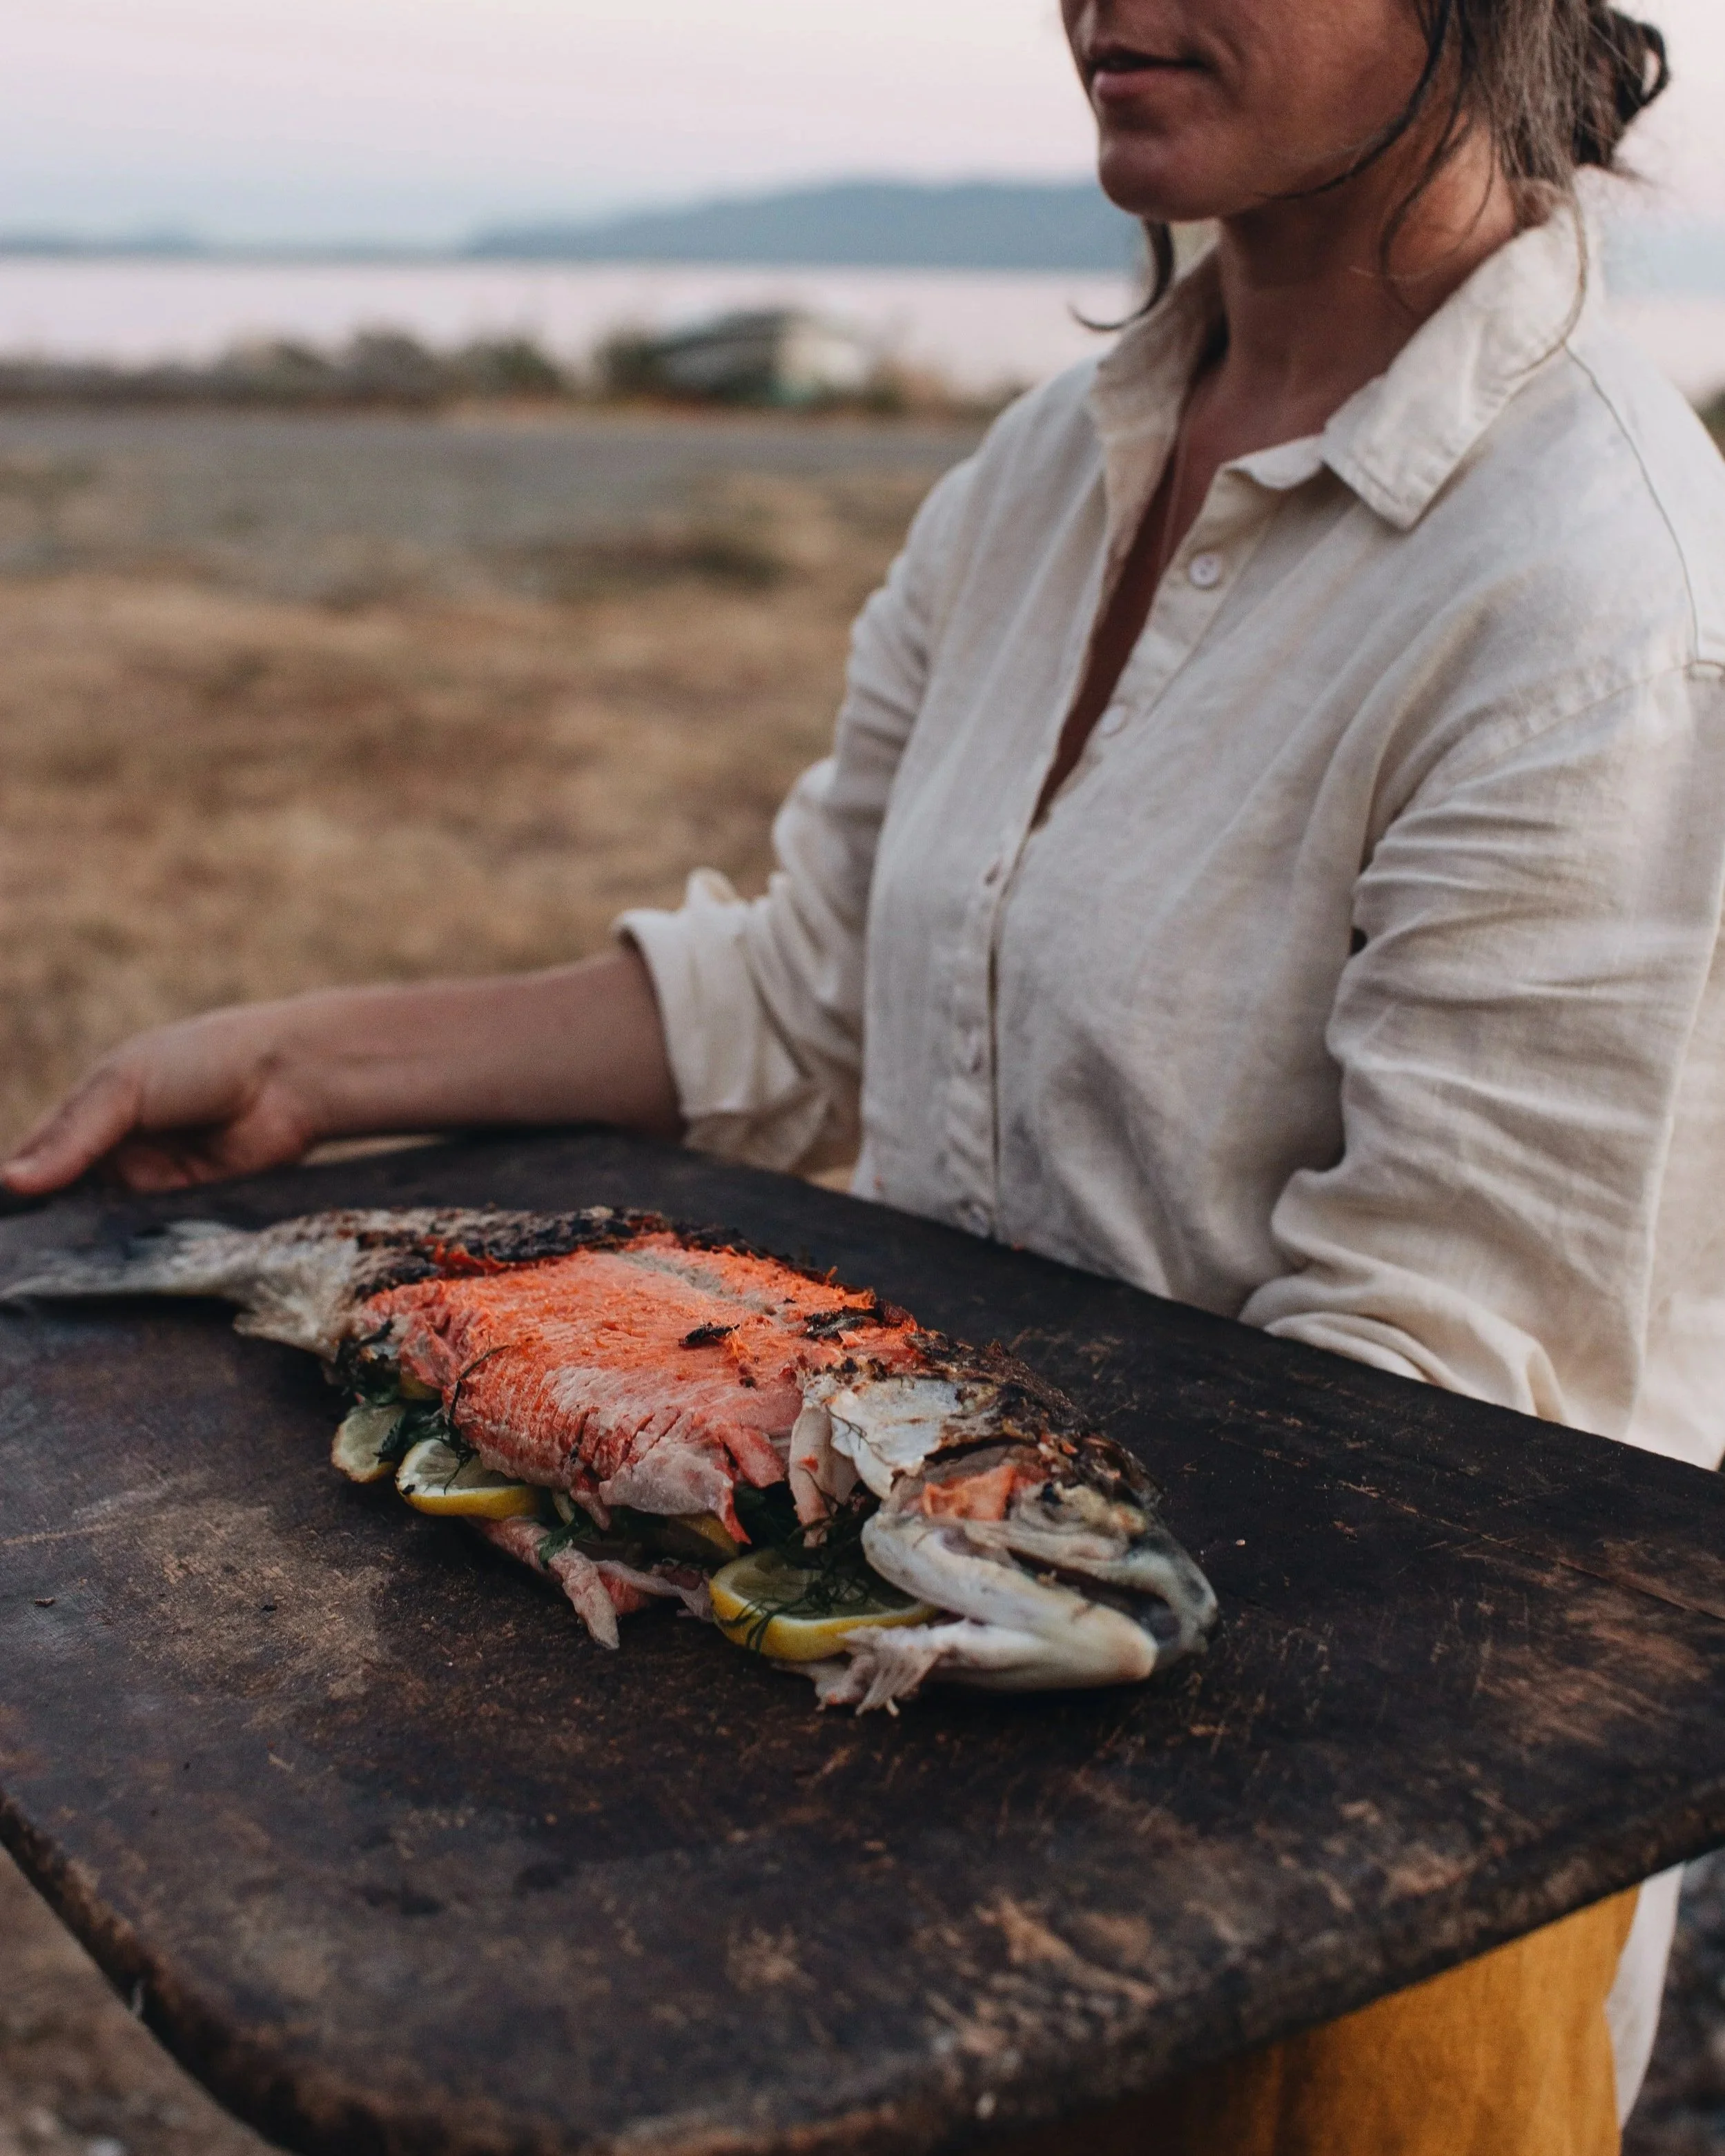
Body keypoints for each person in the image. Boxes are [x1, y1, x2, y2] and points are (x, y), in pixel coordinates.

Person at [7, 0, 1719, 2146]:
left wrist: (843, 1563)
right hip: (926, 1752)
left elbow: (1429, 1424)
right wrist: (293, 1062)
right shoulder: (1043, 470)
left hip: (1327, 1910)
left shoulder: (1596, 588)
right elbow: (822, 987)